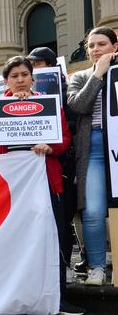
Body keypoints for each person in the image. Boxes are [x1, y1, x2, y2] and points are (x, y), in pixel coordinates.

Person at [0, 56, 82, 315]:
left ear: (32, 77)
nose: (20, 80)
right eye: (14, 76)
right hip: (12, 186)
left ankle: (59, 298)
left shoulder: (48, 102)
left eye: (24, 74)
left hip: (47, 181)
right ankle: (17, 298)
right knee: (16, 241)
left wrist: (50, 147)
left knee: (55, 238)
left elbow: (65, 139)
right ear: (6, 80)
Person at [67, 26, 118, 286]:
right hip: (94, 148)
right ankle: (97, 267)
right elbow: (79, 105)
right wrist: (98, 74)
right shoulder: (79, 77)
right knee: (93, 210)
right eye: (91, 46)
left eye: (102, 44)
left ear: (115, 47)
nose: (95, 49)